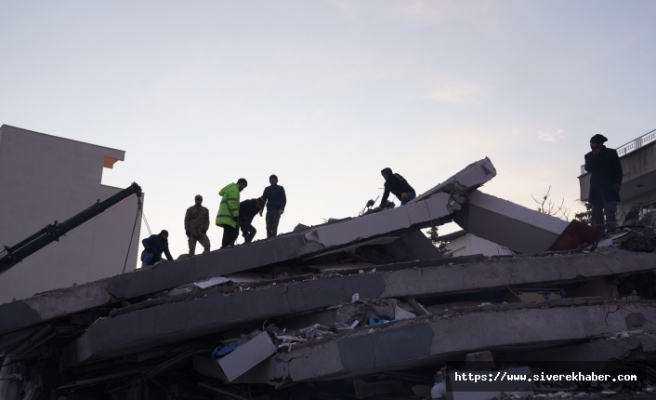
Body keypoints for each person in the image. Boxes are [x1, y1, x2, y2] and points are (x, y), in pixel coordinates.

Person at [584, 134, 623, 234]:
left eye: (592, 143)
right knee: (597, 214)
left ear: (599, 143)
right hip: (596, 190)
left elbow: (618, 169)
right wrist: (594, 156)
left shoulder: (611, 153)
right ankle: (599, 235)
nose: (591, 145)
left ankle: (611, 234)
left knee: (610, 212)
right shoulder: (589, 156)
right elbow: (588, 168)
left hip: (609, 189)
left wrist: (617, 183)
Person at [216, 178, 248, 248]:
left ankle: (227, 246)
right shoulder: (234, 189)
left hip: (227, 216)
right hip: (228, 216)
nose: (243, 188)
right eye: (243, 186)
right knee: (230, 232)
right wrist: (235, 215)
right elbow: (232, 202)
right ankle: (226, 247)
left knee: (232, 232)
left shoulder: (232, 188)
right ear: (241, 184)